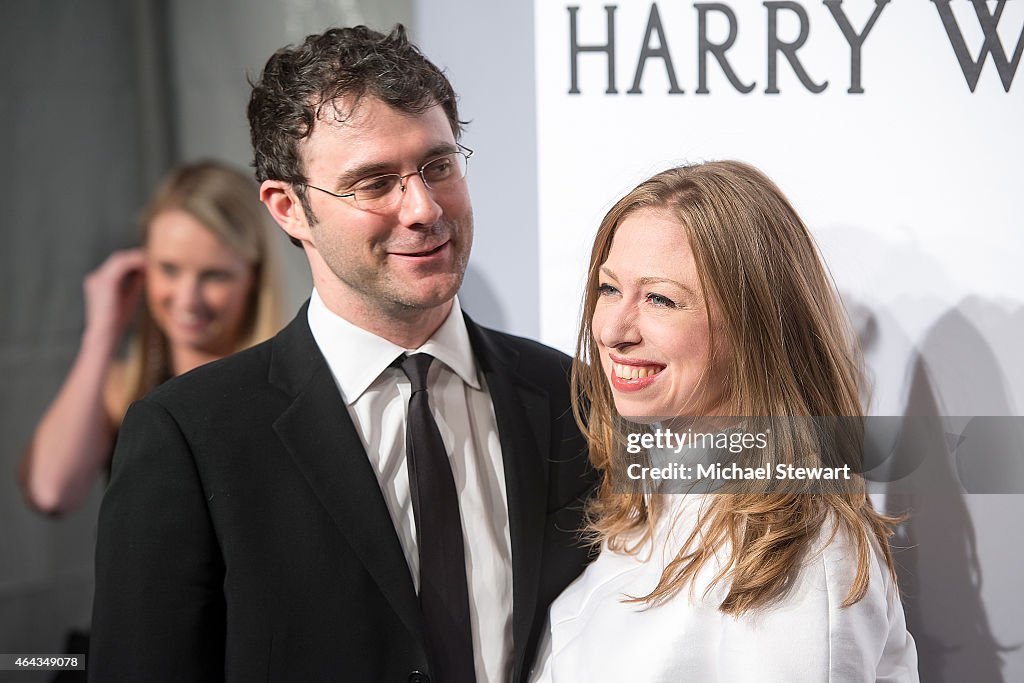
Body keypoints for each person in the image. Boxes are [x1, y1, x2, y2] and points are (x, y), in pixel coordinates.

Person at [89, 24, 595, 683]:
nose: (423, 207)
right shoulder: (192, 434)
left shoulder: (568, 395)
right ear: (288, 208)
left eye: (438, 165)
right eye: (374, 182)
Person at [531, 161, 919, 681]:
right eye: (608, 289)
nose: (614, 329)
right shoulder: (648, 496)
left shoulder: (797, 549)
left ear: (752, 325)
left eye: (660, 298)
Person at [19, 160, 283, 516]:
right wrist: (102, 333)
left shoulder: (286, 389)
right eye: (169, 269)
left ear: (252, 277)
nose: (187, 299)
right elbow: (51, 492)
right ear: (143, 266)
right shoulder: (120, 389)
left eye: (214, 276)